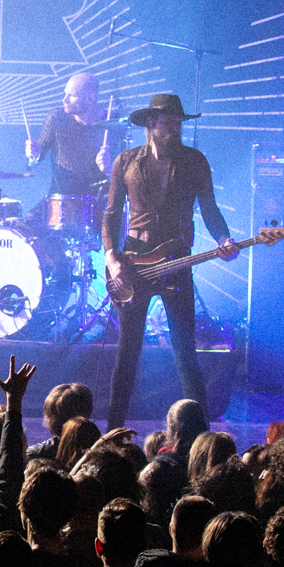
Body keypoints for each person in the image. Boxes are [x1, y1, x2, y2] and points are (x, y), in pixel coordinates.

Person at [99, 93, 235, 433]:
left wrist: (223, 239)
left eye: (179, 123)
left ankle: (201, 436)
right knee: (127, 353)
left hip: (177, 263)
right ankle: (113, 432)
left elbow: (210, 209)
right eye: (168, 123)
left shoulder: (194, 161)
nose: (175, 129)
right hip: (133, 264)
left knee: (185, 354)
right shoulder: (126, 162)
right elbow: (112, 214)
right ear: (150, 123)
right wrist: (111, 258)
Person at [25, 70, 115, 200]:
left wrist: (109, 169)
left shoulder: (112, 122)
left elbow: (123, 172)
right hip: (60, 199)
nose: (64, 100)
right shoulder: (57, 117)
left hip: (99, 199)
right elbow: (35, 159)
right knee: (29, 220)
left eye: (71, 95)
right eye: (65, 94)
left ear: (90, 99)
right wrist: (33, 155)